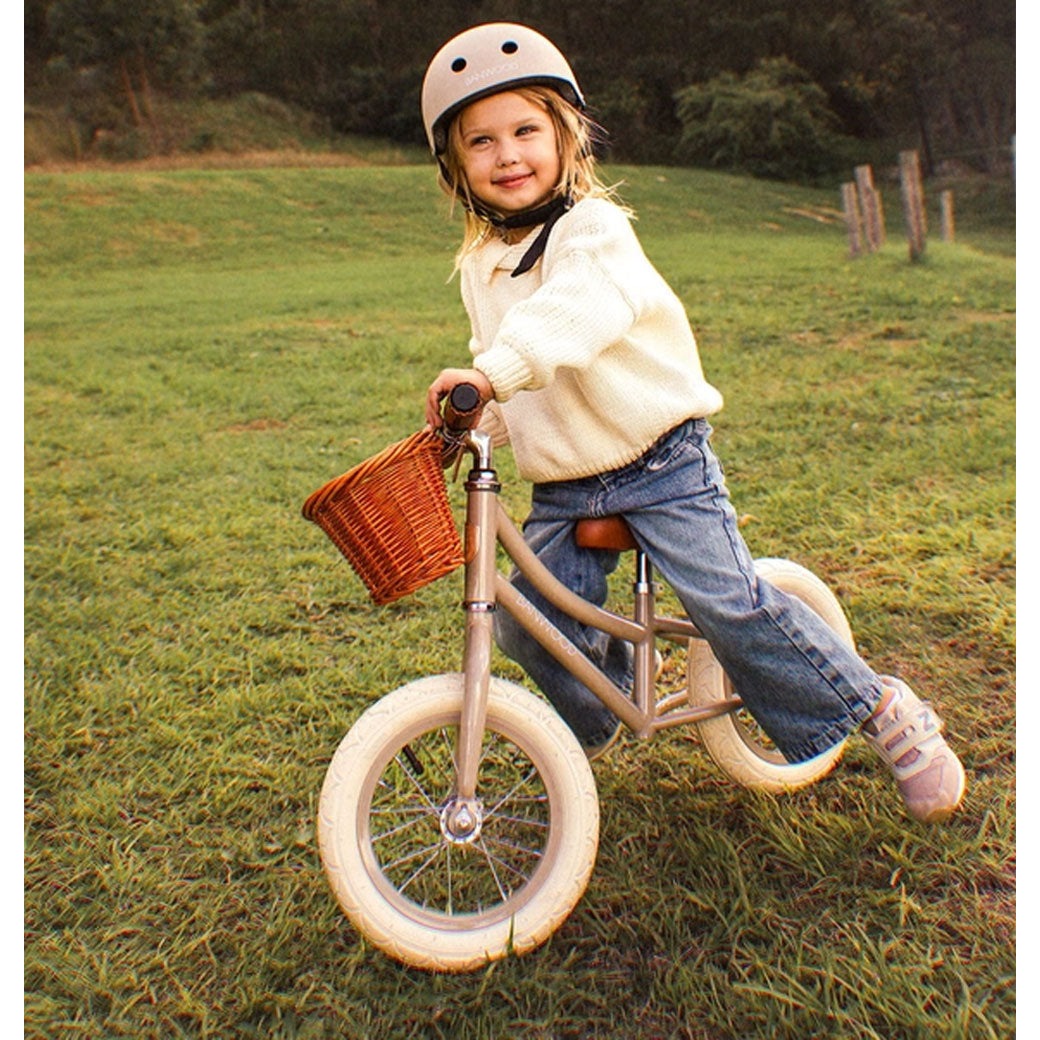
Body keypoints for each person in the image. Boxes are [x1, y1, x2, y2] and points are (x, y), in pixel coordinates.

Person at [420, 22, 965, 823]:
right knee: (524, 621)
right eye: (482, 141)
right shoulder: (481, 265)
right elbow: (504, 365)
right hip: (570, 487)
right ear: (455, 165)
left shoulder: (593, 233)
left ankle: (879, 705)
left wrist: (490, 372)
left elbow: (570, 320)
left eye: (526, 131)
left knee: (729, 605)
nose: (508, 154)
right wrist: (473, 419)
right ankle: (590, 724)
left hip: (659, 463)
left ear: (566, 137)